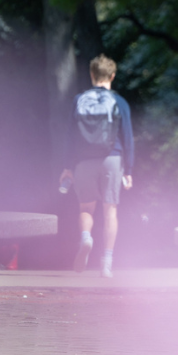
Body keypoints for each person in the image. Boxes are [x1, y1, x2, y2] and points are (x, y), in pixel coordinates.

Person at [59, 55, 134, 277]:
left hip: (83, 161)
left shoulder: (79, 100)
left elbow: (70, 136)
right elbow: (128, 137)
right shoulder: (119, 102)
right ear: (112, 76)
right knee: (110, 210)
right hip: (113, 158)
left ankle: (85, 239)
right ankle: (107, 264)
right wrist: (128, 170)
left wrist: (67, 166)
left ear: (92, 75)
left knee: (86, 208)